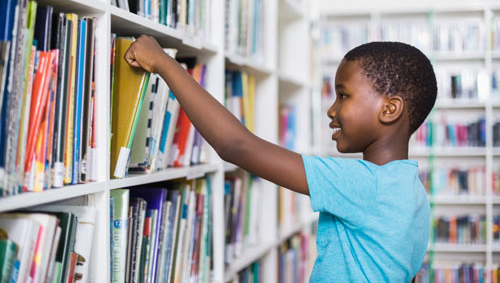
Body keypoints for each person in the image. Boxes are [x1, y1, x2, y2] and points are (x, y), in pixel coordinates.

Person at [125, 38, 437, 282]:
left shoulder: (364, 183)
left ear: (389, 109)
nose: (331, 110)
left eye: (343, 95)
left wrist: (164, 63)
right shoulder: (413, 193)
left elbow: (236, 145)